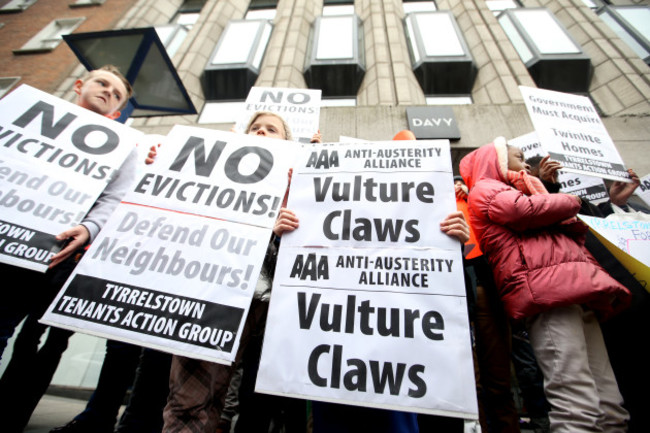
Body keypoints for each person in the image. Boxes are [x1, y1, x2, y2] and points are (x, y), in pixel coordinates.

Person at [459, 137, 631, 433]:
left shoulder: (525, 189)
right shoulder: (487, 189)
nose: (526, 163)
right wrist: (573, 201)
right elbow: (522, 212)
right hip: (548, 294)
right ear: (495, 160)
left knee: (609, 404)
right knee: (576, 402)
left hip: (575, 289)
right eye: (517, 156)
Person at [0, 65, 137, 433]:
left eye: (117, 94)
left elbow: (115, 198)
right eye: (102, 83)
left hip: (59, 257)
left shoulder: (125, 146)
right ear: (80, 85)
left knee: (43, 342)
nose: (108, 91)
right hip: (7, 247)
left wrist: (89, 227)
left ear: (118, 111)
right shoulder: (27, 114)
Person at [162, 112, 315, 433]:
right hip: (215, 292)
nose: (260, 132)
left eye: (270, 130)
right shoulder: (219, 174)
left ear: (288, 143)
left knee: (257, 404)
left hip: (272, 307)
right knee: (192, 399)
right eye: (255, 128)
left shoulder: (302, 183)